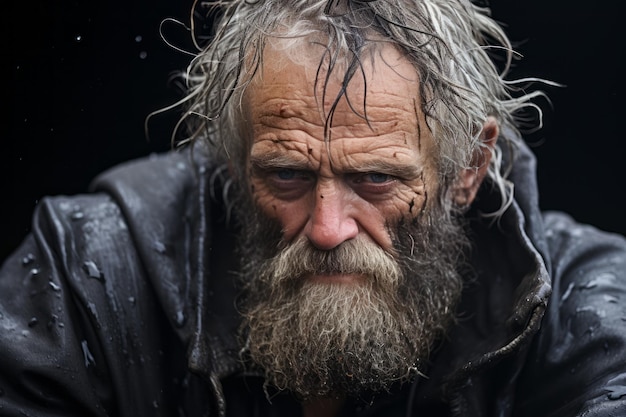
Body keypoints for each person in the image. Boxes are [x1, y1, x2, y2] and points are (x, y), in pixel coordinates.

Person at [1, 0, 625, 415]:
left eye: (377, 178)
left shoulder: (585, 307)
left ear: (468, 169)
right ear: (231, 159)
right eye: (286, 175)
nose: (328, 229)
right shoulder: (90, 270)